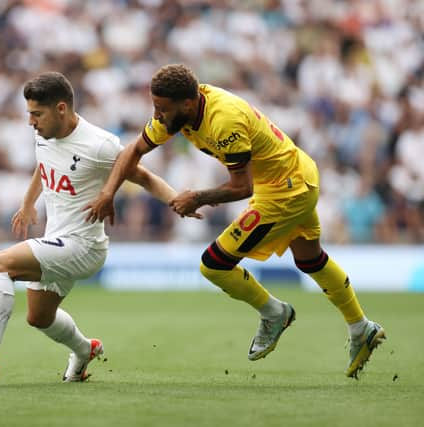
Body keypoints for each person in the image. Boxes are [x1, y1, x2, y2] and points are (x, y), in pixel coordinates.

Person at [85, 64, 385, 378]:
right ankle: (361, 328)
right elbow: (133, 151)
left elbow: (242, 186)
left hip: (286, 190)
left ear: (187, 104)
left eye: (161, 109)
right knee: (311, 261)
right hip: (296, 175)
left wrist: (196, 197)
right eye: (155, 107)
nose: (156, 115)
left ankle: (275, 313)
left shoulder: (223, 120)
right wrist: (108, 193)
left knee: (213, 264)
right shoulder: (180, 111)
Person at [0, 71, 194, 382]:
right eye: (29, 114)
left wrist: (177, 202)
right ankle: (83, 349)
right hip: (57, 239)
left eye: (36, 114)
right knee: (39, 317)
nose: (31, 122)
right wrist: (27, 204)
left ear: (61, 109)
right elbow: (44, 164)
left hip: (84, 245)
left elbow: (143, 176)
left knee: (0, 263)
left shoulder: (100, 145)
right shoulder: (44, 134)